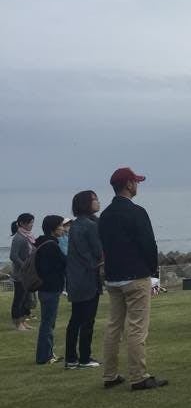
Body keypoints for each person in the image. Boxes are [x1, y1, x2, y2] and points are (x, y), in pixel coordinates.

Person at [98, 167, 166, 391]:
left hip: (113, 276)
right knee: (137, 327)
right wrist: (152, 270)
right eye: (135, 182)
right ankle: (138, 376)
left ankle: (110, 374)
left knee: (114, 326)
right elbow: (148, 244)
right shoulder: (136, 212)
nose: (137, 185)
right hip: (136, 275)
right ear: (128, 184)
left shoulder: (105, 215)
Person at [65, 192, 102, 368]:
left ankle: (71, 358)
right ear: (86, 203)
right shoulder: (89, 225)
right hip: (87, 279)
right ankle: (85, 358)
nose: (98, 202)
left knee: (75, 320)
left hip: (75, 279)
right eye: (94, 199)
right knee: (87, 321)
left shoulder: (75, 225)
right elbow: (97, 252)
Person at [35, 215, 67, 364]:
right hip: (50, 288)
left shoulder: (42, 243)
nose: (63, 229)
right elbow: (61, 263)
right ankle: (44, 356)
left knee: (48, 322)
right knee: (48, 323)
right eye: (60, 226)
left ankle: (48, 353)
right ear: (53, 228)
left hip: (44, 288)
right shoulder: (51, 245)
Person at [9, 213, 35, 331]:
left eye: (32, 222)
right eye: (30, 223)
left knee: (25, 299)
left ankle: (23, 321)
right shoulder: (18, 238)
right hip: (20, 274)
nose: (32, 225)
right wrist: (24, 266)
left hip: (28, 274)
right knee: (19, 299)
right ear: (22, 224)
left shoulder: (28, 236)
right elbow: (13, 256)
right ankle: (17, 323)